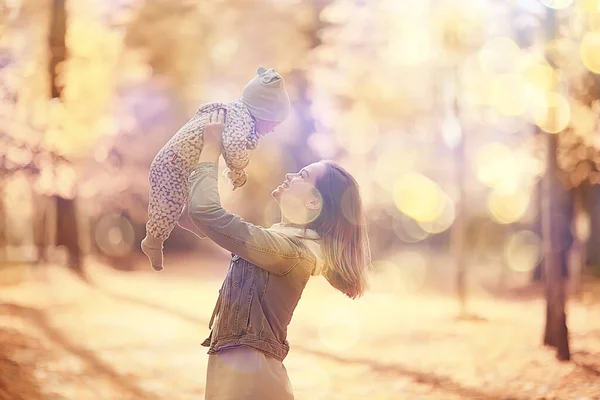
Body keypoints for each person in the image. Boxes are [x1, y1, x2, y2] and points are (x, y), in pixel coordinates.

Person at [185, 109, 371, 399]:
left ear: (313, 200)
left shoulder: (288, 252)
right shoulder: (280, 243)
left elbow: (205, 213)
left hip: (251, 379)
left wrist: (211, 147)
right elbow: (201, 216)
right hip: (237, 373)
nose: (290, 174)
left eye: (302, 175)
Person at [141, 67, 291, 272]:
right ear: (262, 112)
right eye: (273, 123)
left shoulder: (237, 112)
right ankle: (153, 240)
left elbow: (229, 143)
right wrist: (239, 167)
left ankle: (186, 217)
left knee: (184, 195)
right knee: (167, 205)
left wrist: (235, 170)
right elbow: (235, 147)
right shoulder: (241, 119)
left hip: (185, 164)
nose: (273, 129)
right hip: (172, 163)